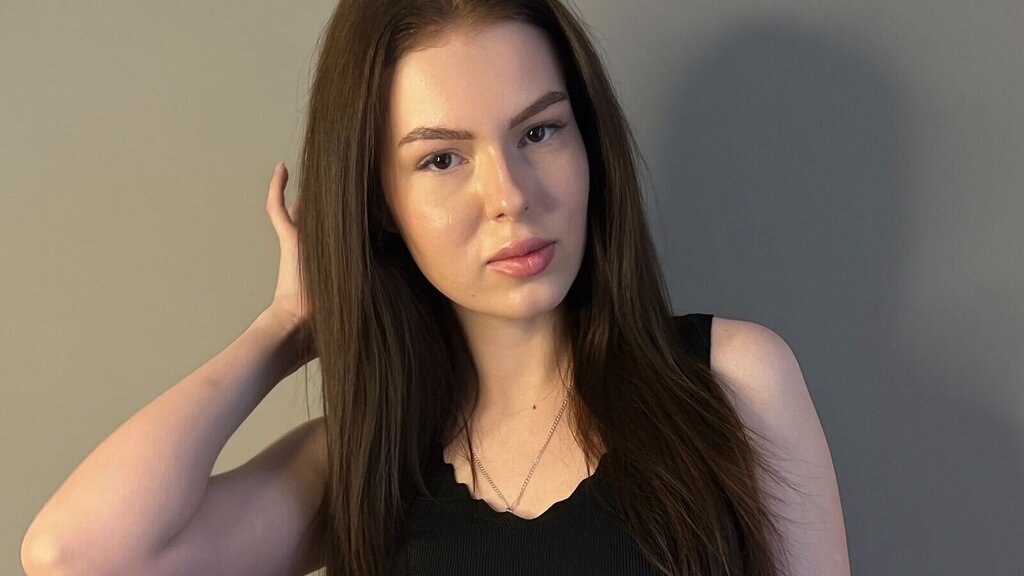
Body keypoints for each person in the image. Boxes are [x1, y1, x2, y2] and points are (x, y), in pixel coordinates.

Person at [21, 1, 851, 575]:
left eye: (539, 131)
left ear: (589, 144)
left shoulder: (731, 380)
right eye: (442, 158)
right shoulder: (359, 465)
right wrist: (289, 324)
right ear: (380, 202)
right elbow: (76, 555)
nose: (510, 195)